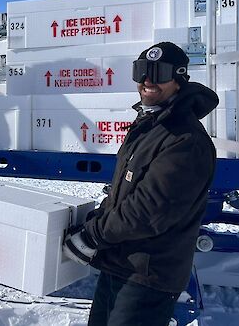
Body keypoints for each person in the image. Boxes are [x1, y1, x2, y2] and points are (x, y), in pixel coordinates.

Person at [63, 42, 219, 326]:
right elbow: (124, 194)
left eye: (158, 72)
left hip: (149, 276)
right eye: (142, 71)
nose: (148, 80)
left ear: (179, 79)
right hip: (120, 263)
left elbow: (149, 210)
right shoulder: (149, 126)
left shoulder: (185, 139)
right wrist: (93, 222)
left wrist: (92, 236)